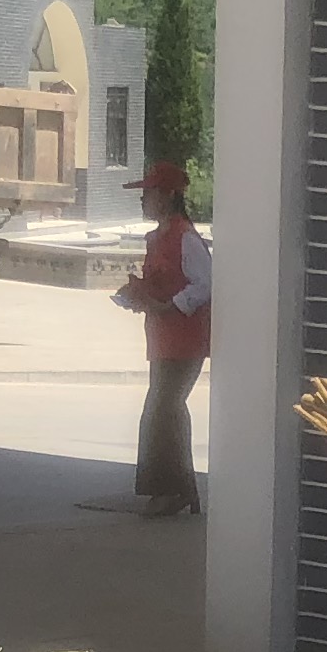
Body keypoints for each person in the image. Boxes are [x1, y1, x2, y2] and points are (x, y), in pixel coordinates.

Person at [113, 159, 210, 514]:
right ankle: (176, 489)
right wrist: (136, 294)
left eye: (150, 193)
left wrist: (170, 305)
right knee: (164, 408)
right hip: (163, 338)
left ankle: (176, 490)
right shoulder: (158, 238)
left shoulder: (185, 237)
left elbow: (205, 284)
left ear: (168, 196)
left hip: (184, 340)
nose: (144, 200)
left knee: (164, 407)